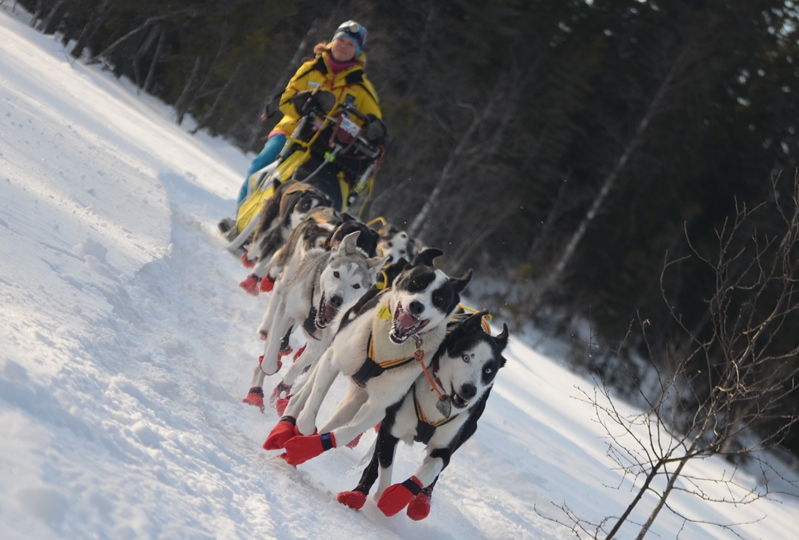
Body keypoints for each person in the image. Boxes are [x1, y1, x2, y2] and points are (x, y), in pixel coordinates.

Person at [220, 20, 383, 234]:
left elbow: (373, 126)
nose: (343, 46)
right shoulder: (311, 69)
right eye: (341, 40)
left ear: (357, 51)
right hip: (292, 132)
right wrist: (303, 105)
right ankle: (239, 221)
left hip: (324, 147)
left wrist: (372, 130)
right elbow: (285, 101)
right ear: (332, 41)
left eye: (350, 44)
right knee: (262, 165)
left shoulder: (361, 88)